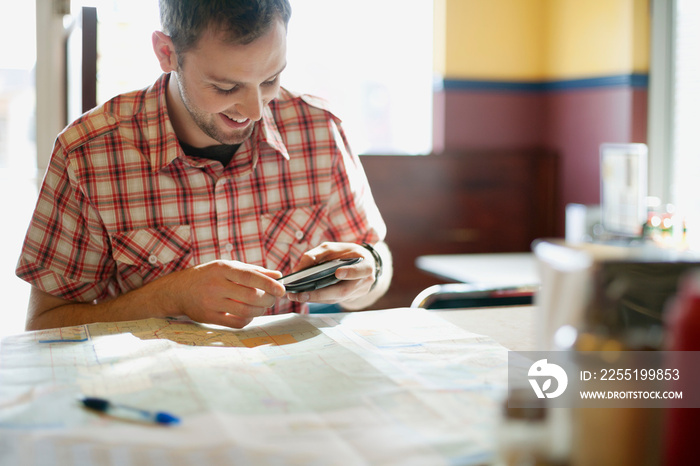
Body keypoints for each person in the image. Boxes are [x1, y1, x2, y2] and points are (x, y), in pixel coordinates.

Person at [16, 0, 392, 331]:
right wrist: (169, 296)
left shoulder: (318, 127)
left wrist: (366, 271)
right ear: (166, 53)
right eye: (226, 88)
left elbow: (377, 257)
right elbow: (44, 325)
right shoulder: (88, 152)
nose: (255, 111)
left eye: (271, 80)